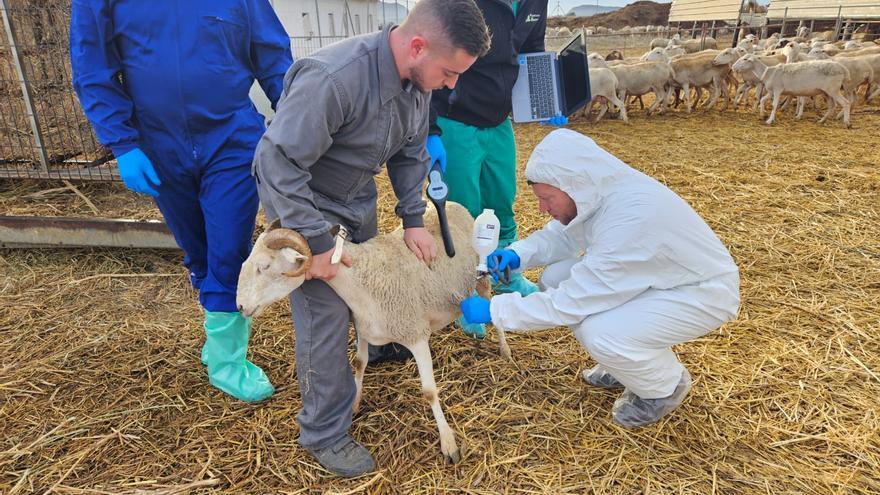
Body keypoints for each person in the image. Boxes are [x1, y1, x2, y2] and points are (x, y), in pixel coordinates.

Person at [252, 0, 490, 477]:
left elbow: (409, 153)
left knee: (372, 284)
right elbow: (277, 163)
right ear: (418, 46)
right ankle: (324, 430)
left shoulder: (415, 80)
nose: (452, 84)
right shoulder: (334, 79)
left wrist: (413, 219)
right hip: (304, 205)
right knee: (325, 314)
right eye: (449, 71)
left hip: (356, 198)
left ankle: (378, 341)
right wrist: (316, 245)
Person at [70, 1, 292, 402]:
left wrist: (297, 119)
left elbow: (273, 56)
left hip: (230, 138)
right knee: (197, 248)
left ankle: (227, 361)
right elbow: (92, 65)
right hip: (158, 143)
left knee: (228, 248)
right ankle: (216, 328)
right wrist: (122, 143)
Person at [460, 129, 740, 428]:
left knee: (601, 333)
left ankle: (664, 386)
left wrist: (496, 311)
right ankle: (626, 365)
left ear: (572, 186)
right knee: (556, 276)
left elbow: (572, 302)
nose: (542, 208)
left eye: (547, 198)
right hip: (664, 280)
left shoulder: (629, 219)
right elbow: (565, 236)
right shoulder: (599, 193)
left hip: (701, 293)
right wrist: (519, 254)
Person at [426, 0, 562, 339]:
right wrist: (429, 129)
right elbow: (431, 56)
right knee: (463, 209)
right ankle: (464, 289)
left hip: (498, 118)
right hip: (456, 118)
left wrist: (544, 98)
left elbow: (531, 46)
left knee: (502, 198)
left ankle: (504, 276)